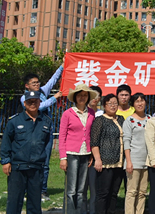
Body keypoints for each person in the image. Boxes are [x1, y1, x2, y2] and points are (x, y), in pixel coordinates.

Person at [1, 89, 53, 214]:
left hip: (36, 167)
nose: (32, 104)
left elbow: (45, 143)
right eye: (30, 101)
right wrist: (6, 161)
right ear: (24, 103)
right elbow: (6, 142)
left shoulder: (46, 121)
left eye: (35, 101)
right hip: (18, 167)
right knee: (14, 201)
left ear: (39, 103)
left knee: (35, 203)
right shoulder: (14, 121)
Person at [21, 66, 63, 201]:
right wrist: (54, 98)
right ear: (27, 85)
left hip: (47, 132)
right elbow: (39, 107)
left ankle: (42, 190)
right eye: (33, 83)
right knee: (30, 161)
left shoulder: (43, 91)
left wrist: (62, 65)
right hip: (32, 132)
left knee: (45, 163)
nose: (37, 84)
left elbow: (53, 80)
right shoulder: (24, 98)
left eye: (38, 82)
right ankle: (28, 189)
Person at [60, 83, 98, 214]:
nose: (82, 97)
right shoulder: (68, 113)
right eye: (80, 95)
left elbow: (91, 134)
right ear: (75, 97)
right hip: (72, 153)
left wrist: (91, 153)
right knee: (71, 190)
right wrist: (63, 157)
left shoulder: (91, 113)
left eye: (85, 95)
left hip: (85, 154)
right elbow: (62, 136)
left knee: (82, 189)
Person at [91, 94, 126, 214]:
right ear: (104, 105)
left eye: (115, 103)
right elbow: (94, 142)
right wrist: (97, 159)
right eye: (110, 103)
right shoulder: (100, 120)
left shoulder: (121, 119)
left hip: (119, 162)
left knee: (114, 193)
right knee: (103, 193)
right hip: (105, 162)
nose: (113, 106)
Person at [124, 93, 149, 214]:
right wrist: (128, 161)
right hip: (134, 160)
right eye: (137, 101)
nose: (140, 103)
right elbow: (126, 141)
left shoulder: (150, 119)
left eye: (142, 101)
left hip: (147, 161)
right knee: (132, 191)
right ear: (133, 104)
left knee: (142, 192)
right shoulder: (129, 120)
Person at [87, 85, 103, 214]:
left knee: (94, 188)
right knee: (79, 188)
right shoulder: (81, 112)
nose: (94, 98)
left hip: (96, 155)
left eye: (97, 96)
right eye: (92, 95)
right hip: (81, 153)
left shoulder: (102, 114)